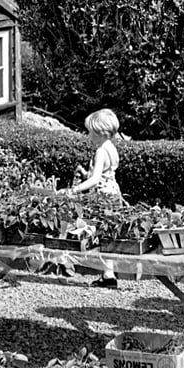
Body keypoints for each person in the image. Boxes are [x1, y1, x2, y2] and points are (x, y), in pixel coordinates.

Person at [63, 108, 124, 288]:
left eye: (91, 131)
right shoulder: (111, 148)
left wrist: (75, 189)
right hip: (114, 195)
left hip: (102, 198)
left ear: (100, 132)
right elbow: (105, 173)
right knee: (108, 234)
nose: (88, 135)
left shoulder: (100, 151)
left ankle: (104, 272)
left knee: (96, 233)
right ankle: (108, 274)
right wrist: (85, 171)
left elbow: (96, 178)